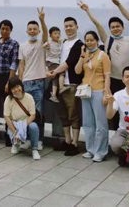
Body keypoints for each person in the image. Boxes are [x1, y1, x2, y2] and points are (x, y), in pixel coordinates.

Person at [47, 16, 84, 156]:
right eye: (66, 26)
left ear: (77, 27)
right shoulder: (62, 43)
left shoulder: (79, 44)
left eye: (71, 26)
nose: (68, 28)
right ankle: (67, 141)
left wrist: (54, 72)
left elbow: (69, 63)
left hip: (71, 84)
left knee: (73, 114)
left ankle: (75, 143)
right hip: (59, 83)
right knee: (63, 115)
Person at [74, 32, 111, 162]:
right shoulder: (85, 55)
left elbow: (107, 75)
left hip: (99, 90)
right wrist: (81, 55)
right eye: (87, 40)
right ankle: (90, 149)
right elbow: (77, 71)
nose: (89, 42)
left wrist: (106, 92)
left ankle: (101, 151)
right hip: (85, 91)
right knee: (88, 123)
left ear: (97, 40)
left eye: (91, 40)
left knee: (101, 123)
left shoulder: (103, 55)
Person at [104, 16, 129, 130]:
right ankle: (114, 133)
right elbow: (97, 25)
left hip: (126, 80)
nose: (115, 29)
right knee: (113, 107)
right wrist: (87, 11)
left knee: (127, 107)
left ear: (123, 27)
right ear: (110, 29)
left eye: (118, 26)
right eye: (112, 27)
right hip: (112, 80)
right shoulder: (107, 40)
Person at [17, 8, 49, 146]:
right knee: (25, 113)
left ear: (38, 31)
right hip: (26, 83)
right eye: (30, 29)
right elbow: (21, 65)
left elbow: (46, 34)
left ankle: (39, 140)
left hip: (39, 82)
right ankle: (26, 139)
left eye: (35, 29)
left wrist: (42, 19)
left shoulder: (42, 43)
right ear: (26, 31)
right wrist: (20, 82)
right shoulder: (22, 46)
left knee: (38, 112)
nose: (32, 31)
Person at [4, 76, 41, 160]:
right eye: (13, 88)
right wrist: (15, 132)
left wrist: (22, 127)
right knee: (11, 128)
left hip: (27, 123)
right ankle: (16, 144)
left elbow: (33, 115)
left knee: (34, 126)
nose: (16, 90)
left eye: (17, 86)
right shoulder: (8, 99)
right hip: (14, 124)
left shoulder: (29, 97)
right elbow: (6, 117)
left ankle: (34, 149)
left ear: (21, 86)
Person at [44, 26, 64, 103]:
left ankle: (54, 94)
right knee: (61, 72)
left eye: (59, 33)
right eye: (55, 33)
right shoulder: (50, 42)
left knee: (55, 78)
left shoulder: (59, 42)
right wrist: (46, 45)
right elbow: (44, 46)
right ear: (50, 35)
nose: (57, 35)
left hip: (56, 62)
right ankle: (61, 88)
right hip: (51, 62)